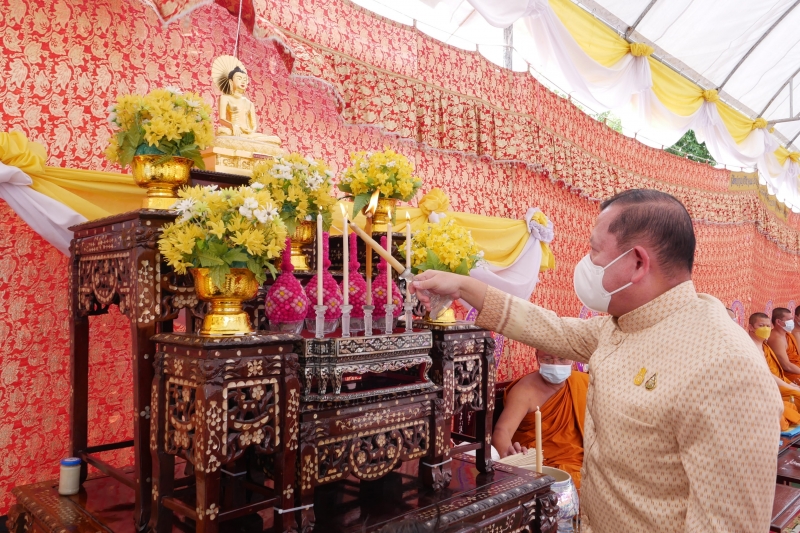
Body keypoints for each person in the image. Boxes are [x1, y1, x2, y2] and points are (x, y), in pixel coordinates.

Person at [412, 189, 781, 533]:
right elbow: (550, 327)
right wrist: (463, 286)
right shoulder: (623, 326)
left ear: (637, 262)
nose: (587, 263)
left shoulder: (725, 367)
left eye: (594, 251)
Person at [492, 352, 588, 489]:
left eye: (562, 358)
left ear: (573, 357)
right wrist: (510, 457)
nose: (555, 365)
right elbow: (503, 430)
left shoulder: (583, 383)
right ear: (537, 357)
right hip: (541, 466)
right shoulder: (525, 390)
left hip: (582, 460)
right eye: (547, 359)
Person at [748, 312, 800, 430]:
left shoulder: (764, 345)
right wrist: (791, 387)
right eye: (761, 326)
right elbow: (768, 375)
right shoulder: (750, 347)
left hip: (779, 382)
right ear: (750, 327)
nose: (766, 329)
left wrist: (791, 385)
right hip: (766, 388)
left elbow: (778, 372)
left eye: (768, 326)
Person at [767, 307, 800, 385]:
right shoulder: (776, 339)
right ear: (778, 322)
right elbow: (786, 366)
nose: (792, 322)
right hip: (790, 374)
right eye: (789, 320)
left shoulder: (787, 334)